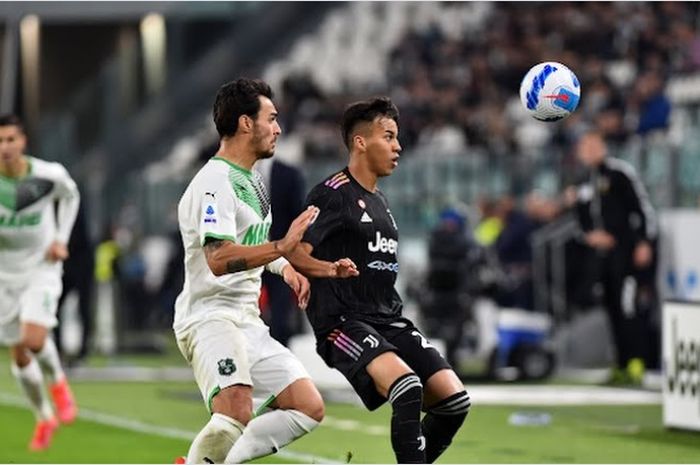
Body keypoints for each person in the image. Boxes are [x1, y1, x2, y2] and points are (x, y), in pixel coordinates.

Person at [173, 78, 357, 464]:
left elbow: (254, 239)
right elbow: (219, 259)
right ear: (245, 123)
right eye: (271, 119)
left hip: (247, 320)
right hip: (210, 318)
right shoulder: (214, 183)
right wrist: (281, 247)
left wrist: (288, 267)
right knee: (233, 414)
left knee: (307, 407)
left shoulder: (252, 181)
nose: (277, 128)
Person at [287, 97, 470, 463]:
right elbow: (294, 251)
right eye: (388, 136)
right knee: (407, 388)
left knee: (453, 402)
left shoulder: (381, 201)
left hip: (389, 318)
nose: (397, 146)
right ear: (360, 142)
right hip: (343, 322)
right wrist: (327, 270)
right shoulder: (332, 193)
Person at [0, 114, 80, 451]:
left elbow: (72, 195)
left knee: (33, 339)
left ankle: (59, 383)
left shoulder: (49, 175)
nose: (5, 148)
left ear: (23, 141)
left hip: (41, 268)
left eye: (10, 140)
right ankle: (43, 416)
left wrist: (61, 238)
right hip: (4, 274)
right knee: (18, 355)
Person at [572, 130, 658, 384]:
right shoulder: (583, 181)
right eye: (584, 148)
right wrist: (590, 236)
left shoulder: (619, 173)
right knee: (611, 307)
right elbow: (580, 221)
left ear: (603, 147)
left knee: (628, 308)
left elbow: (641, 208)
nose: (589, 152)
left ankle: (637, 362)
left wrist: (643, 241)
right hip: (603, 258)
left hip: (627, 254)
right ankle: (620, 363)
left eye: (593, 146)